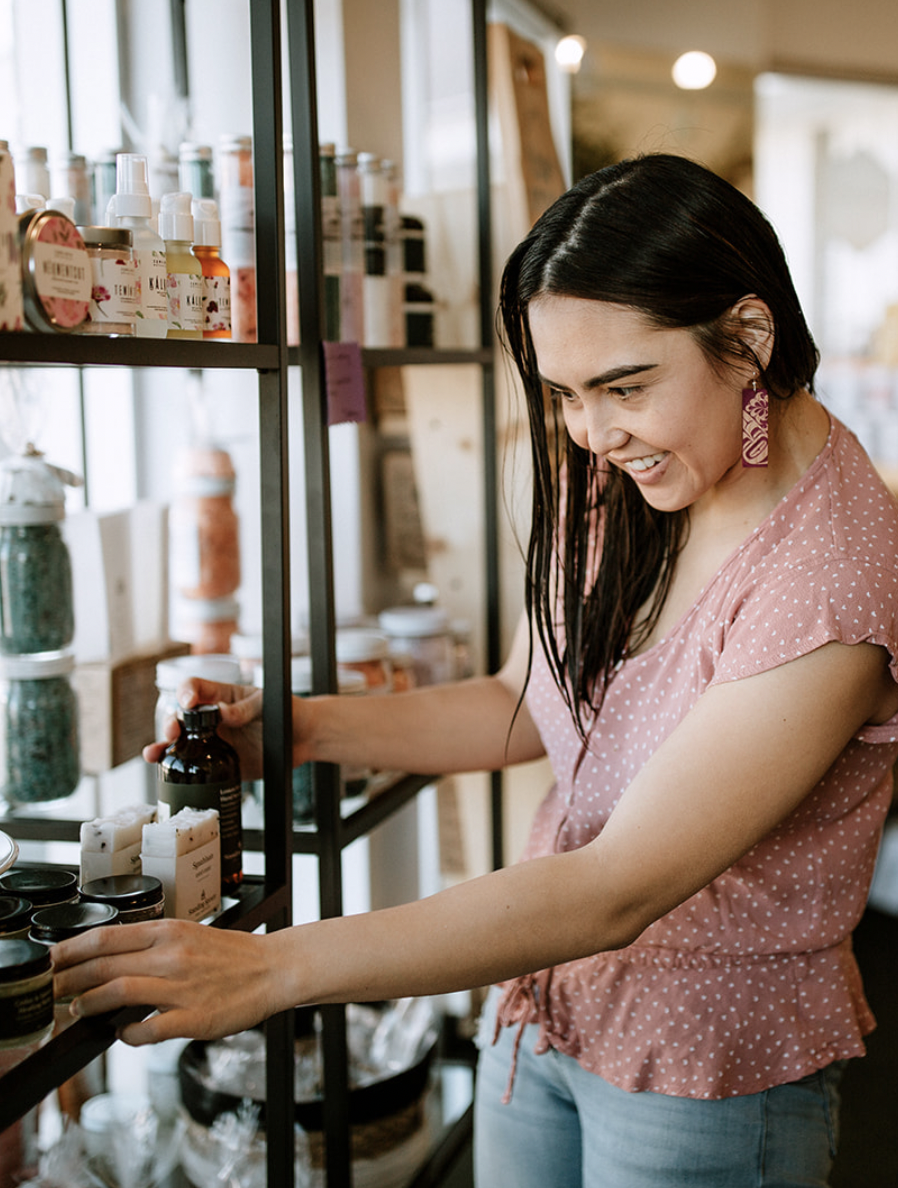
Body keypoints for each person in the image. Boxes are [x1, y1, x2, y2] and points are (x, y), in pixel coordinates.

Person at [52, 154, 898, 1187]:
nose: (592, 434)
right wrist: (302, 729)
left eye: (624, 386)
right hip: (541, 1011)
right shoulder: (642, 476)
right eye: (568, 396)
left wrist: (273, 968)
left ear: (749, 339)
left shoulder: (835, 579)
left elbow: (614, 888)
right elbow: (519, 700)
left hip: (706, 1076)